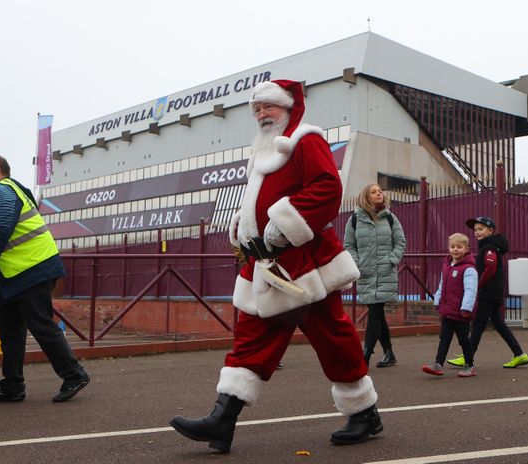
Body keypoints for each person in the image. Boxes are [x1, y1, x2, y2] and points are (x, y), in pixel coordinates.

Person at [170, 80, 382, 453]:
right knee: (252, 336)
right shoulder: (264, 150)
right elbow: (260, 200)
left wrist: (283, 225)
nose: (261, 115)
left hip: (304, 263)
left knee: (331, 337)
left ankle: (364, 412)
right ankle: (222, 419)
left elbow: (327, 189)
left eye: (267, 107)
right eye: (256, 110)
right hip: (267, 263)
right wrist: (243, 223)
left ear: (287, 107)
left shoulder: (305, 139)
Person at [0, 153, 90, 403]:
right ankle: (12, 386)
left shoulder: (3, 190)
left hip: (33, 269)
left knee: (41, 325)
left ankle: (75, 375)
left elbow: (1, 228)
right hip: (15, 275)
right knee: (10, 333)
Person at [447, 217, 528, 368]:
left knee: (478, 323)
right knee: (498, 324)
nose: (477, 232)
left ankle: (468, 356)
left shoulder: (489, 248)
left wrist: (478, 285)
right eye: (476, 230)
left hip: (488, 293)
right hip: (494, 292)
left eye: (481, 229)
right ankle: (519, 354)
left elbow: (490, 267)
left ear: (490, 230)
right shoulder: (489, 246)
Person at [344, 184, 406, 367]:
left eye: (380, 191)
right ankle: (389, 353)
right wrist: (358, 263)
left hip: (385, 271)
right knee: (376, 312)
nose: (379, 193)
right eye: (374, 191)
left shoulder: (390, 218)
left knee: (375, 312)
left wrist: (392, 260)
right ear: (366, 197)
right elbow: (349, 244)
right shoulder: (354, 219)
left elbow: (400, 241)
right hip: (366, 273)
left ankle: (365, 356)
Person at [422, 233, 477, 378]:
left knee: (464, 340)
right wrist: (437, 300)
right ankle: (438, 364)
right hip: (447, 310)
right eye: (452, 247)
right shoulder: (447, 265)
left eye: (459, 247)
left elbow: (471, 290)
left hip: (461, 312)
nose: (455, 249)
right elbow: (442, 285)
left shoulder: (469, 269)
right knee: (444, 338)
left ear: (466, 249)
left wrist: (466, 308)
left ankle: (470, 365)